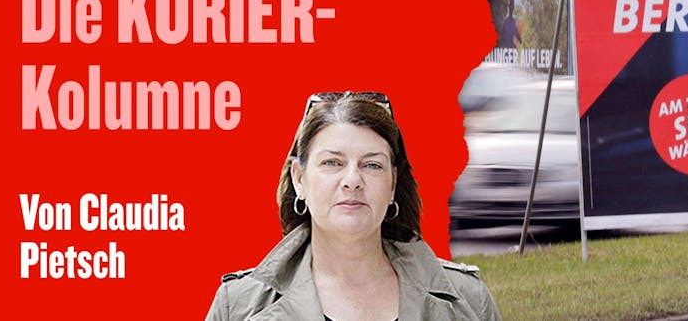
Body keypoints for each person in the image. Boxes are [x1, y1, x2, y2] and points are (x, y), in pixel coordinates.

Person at [208, 92, 500, 320]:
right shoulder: (238, 307)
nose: (352, 180)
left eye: (371, 165)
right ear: (299, 179)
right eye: (332, 162)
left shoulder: (469, 302)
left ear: (392, 184)